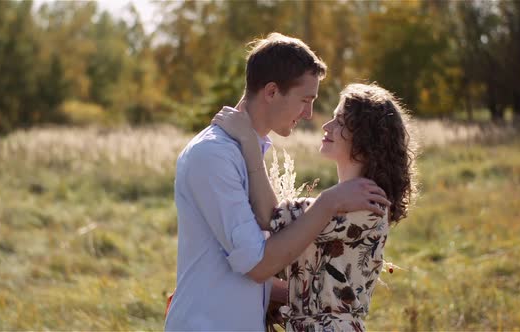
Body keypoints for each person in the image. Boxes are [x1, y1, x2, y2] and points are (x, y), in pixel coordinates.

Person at [164, 33, 390, 331]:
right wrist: (330, 202)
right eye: (305, 100)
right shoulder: (213, 155)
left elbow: (268, 237)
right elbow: (257, 264)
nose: (309, 114)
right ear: (271, 92)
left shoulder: (249, 152)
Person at [212, 83, 417, 331]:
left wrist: (249, 145)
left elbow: (270, 217)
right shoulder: (343, 200)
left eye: (340, 121)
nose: (326, 126)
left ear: (365, 139)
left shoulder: (366, 203)